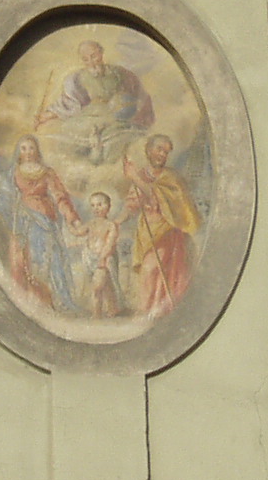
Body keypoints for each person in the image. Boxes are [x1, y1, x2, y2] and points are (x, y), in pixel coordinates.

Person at [39, 38, 156, 162]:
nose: (91, 62)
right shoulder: (77, 78)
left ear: (101, 52)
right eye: (86, 59)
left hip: (116, 115)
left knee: (113, 139)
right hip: (91, 115)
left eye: (94, 56)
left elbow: (136, 94)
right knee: (70, 134)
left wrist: (129, 106)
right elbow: (69, 103)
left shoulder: (119, 72)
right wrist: (49, 115)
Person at [122, 133, 200, 318]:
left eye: (166, 152)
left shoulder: (171, 178)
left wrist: (135, 178)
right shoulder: (142, 175)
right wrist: (116, 221)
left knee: (152, 269)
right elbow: (132, 204)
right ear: (149, 150)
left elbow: (160, 197)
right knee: (150, 273)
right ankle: (151, 311)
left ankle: (151, 312)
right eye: (159, 149)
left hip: (167, 233)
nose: (162, 155)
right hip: (146, 233)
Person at [5, 136, 81, 313]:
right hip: (25, 221)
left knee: (53, 259)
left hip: (46, 220)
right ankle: (37, 300)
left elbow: (60, 196)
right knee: (31, 261)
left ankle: (62, 300)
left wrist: (72, 217)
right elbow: (5, 196)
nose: (28, 152)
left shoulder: (47, 173)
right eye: (24, 148)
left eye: (31, 148)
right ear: (19, 152)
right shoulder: (14, 173)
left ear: (37, 150)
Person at [68, 190, 126, 318]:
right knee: (107, 286)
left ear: (108, 206)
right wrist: (70, 224)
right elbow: (79, 232)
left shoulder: (111, 225)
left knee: (97, 286)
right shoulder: (91, 223)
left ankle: (96, 314)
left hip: (105, 259)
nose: (96, 208)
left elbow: (109, 244)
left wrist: (103, 258)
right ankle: (113, 309)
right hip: (90, 258)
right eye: (93, 205)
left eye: (100, 204)